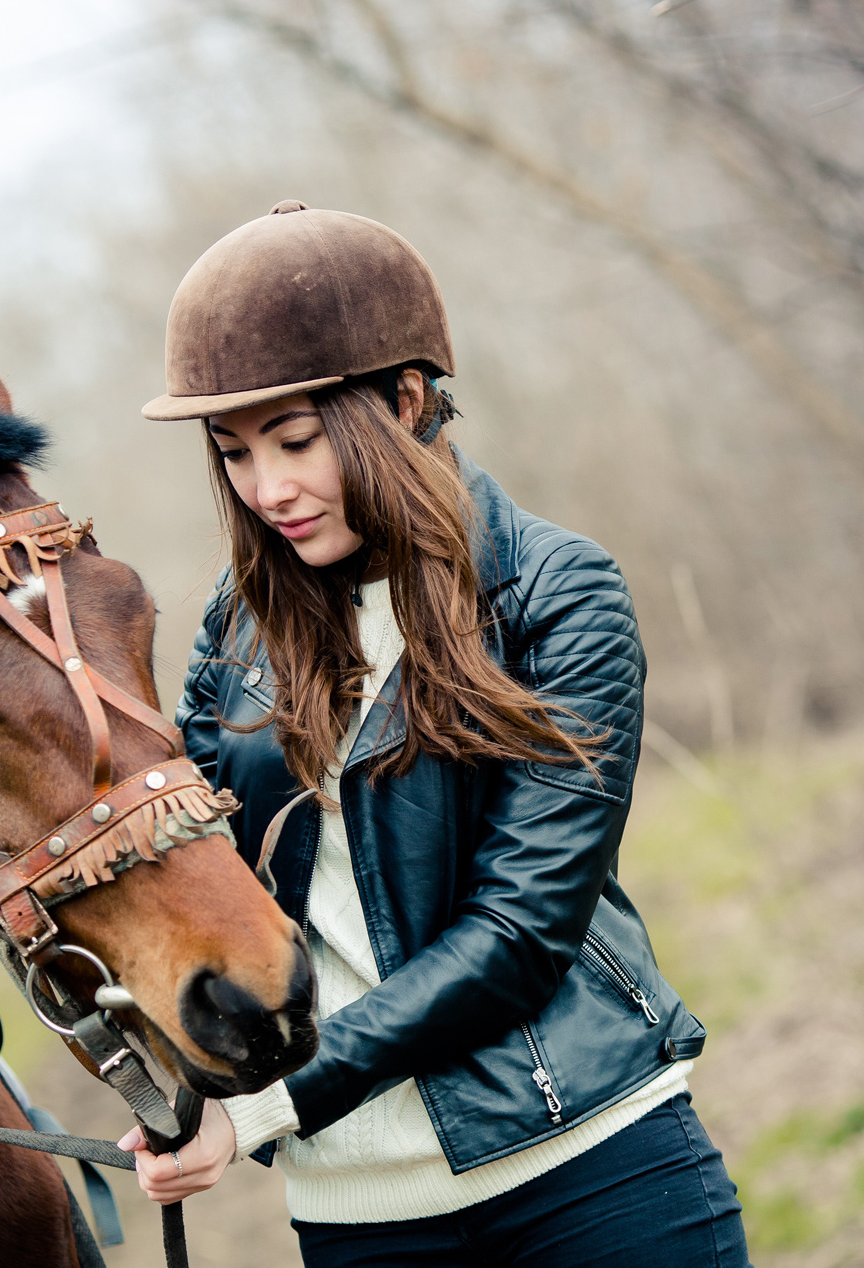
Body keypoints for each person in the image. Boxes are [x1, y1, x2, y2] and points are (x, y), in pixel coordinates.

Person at [117, 200, 751, 1267]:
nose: (266, 489)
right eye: (233, 453)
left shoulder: (557, 593)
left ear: (405, 400)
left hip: (592, 1170)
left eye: (296, 439)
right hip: (360, 1219)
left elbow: (517, 932)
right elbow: (195, 886)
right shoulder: (235, 630)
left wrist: (266, 1106)